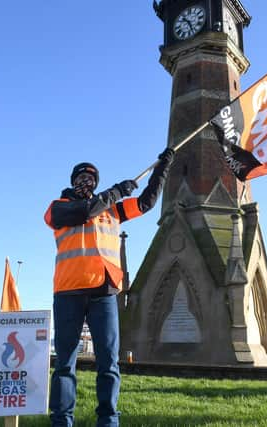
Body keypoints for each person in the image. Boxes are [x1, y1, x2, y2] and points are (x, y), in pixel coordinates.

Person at [44, 148, 174, 427]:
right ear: (73, 180)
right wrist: (116, 190)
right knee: (65, 362)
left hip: (104, 292)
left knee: (109, 363)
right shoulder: (58, 207)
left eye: (91, 178)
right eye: (81, 177)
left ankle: (108, 420)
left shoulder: (111, 211)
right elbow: (85, 211)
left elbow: (147, 203)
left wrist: (162, 168)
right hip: (68, 292)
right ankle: (61, 420)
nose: (86, 181)